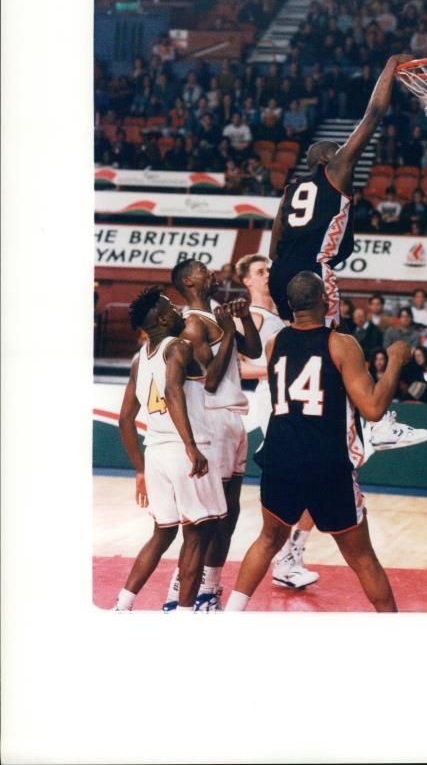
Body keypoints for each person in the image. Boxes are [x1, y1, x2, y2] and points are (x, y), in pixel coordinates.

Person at [224, 272, 416, 613]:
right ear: (326, 301)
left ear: (291, 305)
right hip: (326, 463)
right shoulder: (341, 344)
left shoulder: (276, 342)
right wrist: (396, 363)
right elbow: (372, 408)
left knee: (268, 540)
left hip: (280, 459)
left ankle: (232, 613)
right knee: (362, 557)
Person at [268, 53, 412, 326]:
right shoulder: (335, 171)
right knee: (333, 345)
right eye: (337, 151)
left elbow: (274, 248)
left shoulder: (290, 190)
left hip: (279, 274)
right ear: (325, 160)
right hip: (311, 272)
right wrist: (390, 65)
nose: (343, 155)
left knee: (297, 338)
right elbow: (373, 115)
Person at [114, 288, 228, 612]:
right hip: (184, 450)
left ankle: (123, 605)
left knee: (162, 533)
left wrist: (139, 469)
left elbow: (125, 419)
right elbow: (173, 390)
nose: (178, 309)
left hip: (155, 454)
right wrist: (191, 447)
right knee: (197, 535)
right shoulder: (179, 346)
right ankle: (183, 615)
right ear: (163, 319)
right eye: (171, 307)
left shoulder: (139, 358)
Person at [161, 260, 262, 612]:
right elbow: (211, 380)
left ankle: (211, 588)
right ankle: (181, 591)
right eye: (204, 269)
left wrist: (243, 317)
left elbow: (256, 350)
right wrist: (229, 329)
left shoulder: (218, 316)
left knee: (230, 513)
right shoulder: (191, 324)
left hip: (234, 418)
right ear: (189, 281)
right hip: (212, 420)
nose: (213, 273)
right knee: (208, 519)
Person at [234, 252, 319, 590]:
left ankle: (291, 556)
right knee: (294, 481)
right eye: (259, 271)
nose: (267, 274)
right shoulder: (250, 316)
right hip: (272, 403)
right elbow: (236, 367)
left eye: (269, 268)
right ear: (247, 280)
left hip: (292, 401)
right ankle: (286, 559)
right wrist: (278, 368)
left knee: (311, 480)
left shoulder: (281, 315)